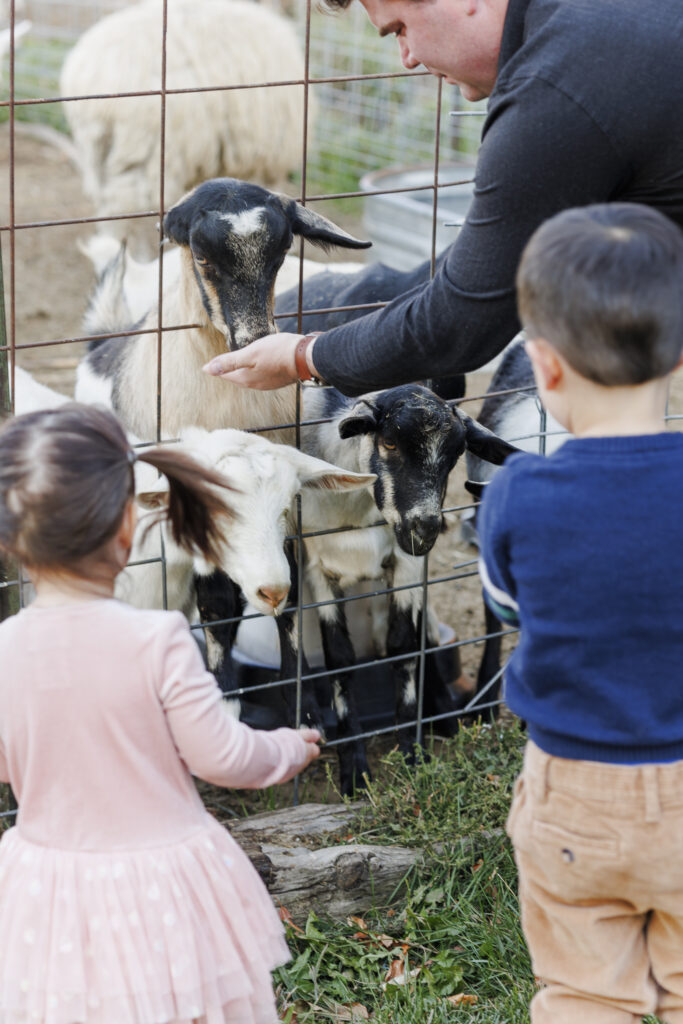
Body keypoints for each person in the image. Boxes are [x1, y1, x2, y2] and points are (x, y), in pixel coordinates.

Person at [0, 403, 321, 1024]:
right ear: (129, 526)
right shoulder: (160, 639)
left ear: (10, 540)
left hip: (49, 886)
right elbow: (222, 758)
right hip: (165, 887)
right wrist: (288, 746)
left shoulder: (4, 647)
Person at [201, 0, 683, 398]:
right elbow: (492, 261)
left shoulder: (557, 88)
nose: (407, 57)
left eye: (400, 30)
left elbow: (461, 321)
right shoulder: (595, 27)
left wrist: (302, 356)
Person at [477, 202, 683, 1023]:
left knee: (580, 991)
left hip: (572, 791)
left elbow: (507, 603)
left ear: (542, 366)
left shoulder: (519, 494)